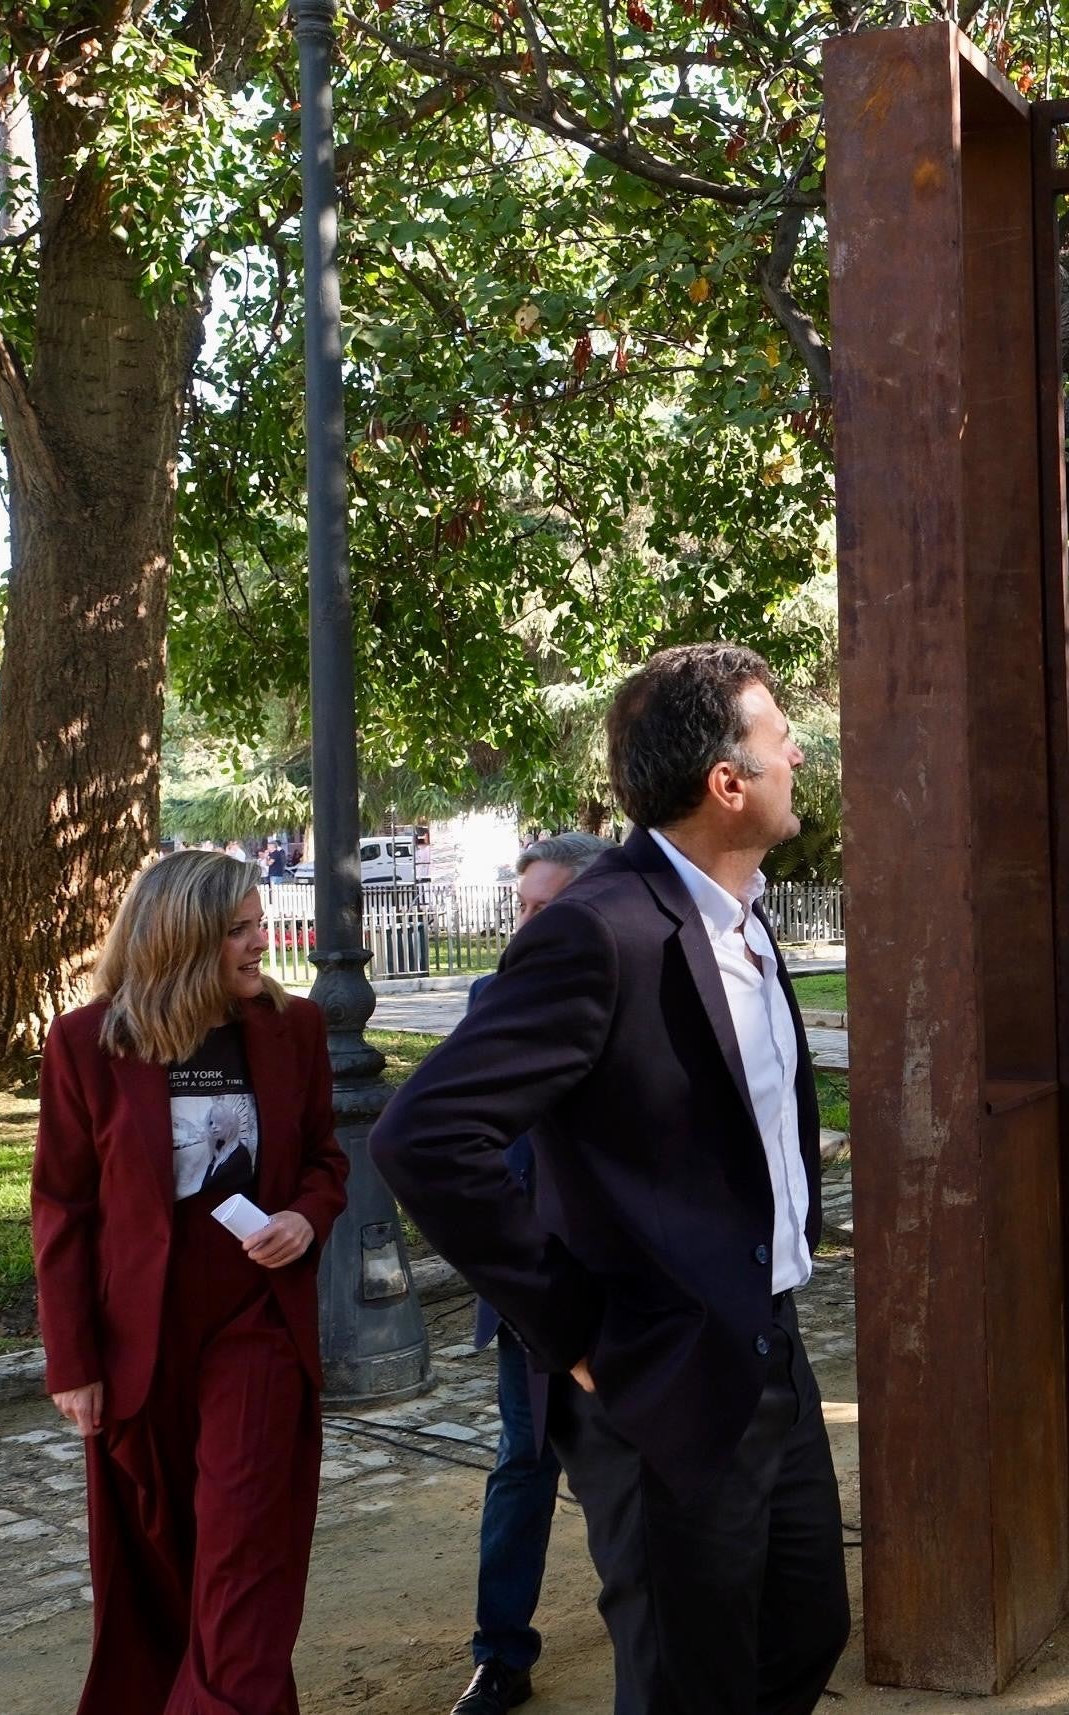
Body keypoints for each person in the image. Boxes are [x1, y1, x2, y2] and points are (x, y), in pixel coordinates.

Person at [373, 643, 848, 1715]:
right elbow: (423, 1135)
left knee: (802, 1631)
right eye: (782, 741)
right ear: (726, 784)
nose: (798, 755)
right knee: (688, 1682)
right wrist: (574, 1329)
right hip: (654, 1375)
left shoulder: (741, 912)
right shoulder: (597, 930)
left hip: (764, 1340)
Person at [31, 849, 350, 1715]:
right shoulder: (86, 1042)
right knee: (162, 1563)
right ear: (181, 940)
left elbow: (325, 1160)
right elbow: (62, 1207)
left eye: (259, 922)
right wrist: (72, 1360)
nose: (261, 942)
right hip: (140, 1340)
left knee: (244, 1552)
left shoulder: (297, 1028)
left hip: (256, 1325)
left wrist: (306, 1216)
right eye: (238, 929)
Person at [452, 831, 613, 1715]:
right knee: (523, 1464)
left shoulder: (636, 992)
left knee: (630, 1471)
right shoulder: (492, 999)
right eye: (520, 907)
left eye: (545, 909)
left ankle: (659, 1634)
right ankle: (499, 1656)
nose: (526, 927)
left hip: (626, 1290)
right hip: (533, 1293)